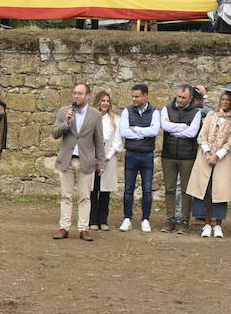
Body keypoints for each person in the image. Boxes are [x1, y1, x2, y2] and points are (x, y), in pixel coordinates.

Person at [51, 82, 105, 241]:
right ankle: (64, 228)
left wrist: (101, 163)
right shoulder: (64, 111)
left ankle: (83, 229)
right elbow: (55, 133)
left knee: (84, 197)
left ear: (87, 96)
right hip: (66, 160)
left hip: (86, 161)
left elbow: (99, 140)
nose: (76, 96)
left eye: (80, 93)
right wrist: (66, 123)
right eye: (75, 93)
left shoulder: (95, 115)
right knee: (66, 196)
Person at [186, 90, 231, 238]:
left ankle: (218, 225)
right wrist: (208, 153)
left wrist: (217, 155)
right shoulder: (211, 115)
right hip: (206, 156)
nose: (224, 102)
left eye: (228, 100)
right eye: (223, 99)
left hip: (222, 158)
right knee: (206, 190)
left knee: (220, 192)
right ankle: (206, 223)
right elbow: (202, 135)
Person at [159, 83, 202, 234]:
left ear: (190, 98)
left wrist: (174, 128)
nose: (180, 100)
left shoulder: (196, 112)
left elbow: (192, 133)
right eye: (179, 96)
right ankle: (170, 219)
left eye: (184, 97)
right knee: (169, 189)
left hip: (187, 156)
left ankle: (184, 220)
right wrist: (183, 126)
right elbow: (164, 126)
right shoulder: (167, 108)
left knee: (186, 190)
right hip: (168, 154)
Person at [118, 83, 160, 232]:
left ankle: (145, 219)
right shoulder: (127, 111)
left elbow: (154, 131)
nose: (134, 99)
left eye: (137, 96)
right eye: (133, 96)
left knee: (147, 189)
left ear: (145, 96)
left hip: (147, 155)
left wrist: (135, 129)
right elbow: (123, 132)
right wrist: (143, 133)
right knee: (128, 188)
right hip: (131, 154)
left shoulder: (154, 112)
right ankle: (127, 218)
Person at [91, 90, 122, 231]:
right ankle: (92, 220)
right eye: (103, 101)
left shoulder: (115, 119)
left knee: (105, 190)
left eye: (107, 101)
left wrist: (107, 156)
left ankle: (103, 220)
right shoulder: (91, 117)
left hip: (109, 156)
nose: (105, 103)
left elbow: (117, 140)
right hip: (93, 156)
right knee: (93, 188)